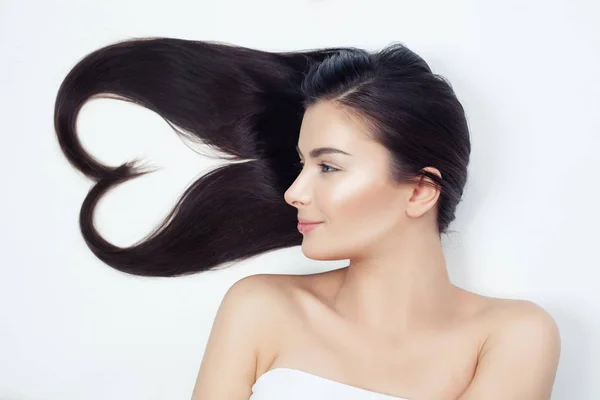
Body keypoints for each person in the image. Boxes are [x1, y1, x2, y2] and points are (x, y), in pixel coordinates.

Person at [53, 37, 561, 399]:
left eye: (328, 166)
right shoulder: (261, 307)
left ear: (421, 190)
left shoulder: (513, 335)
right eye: (302, 164)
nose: (294, 192)